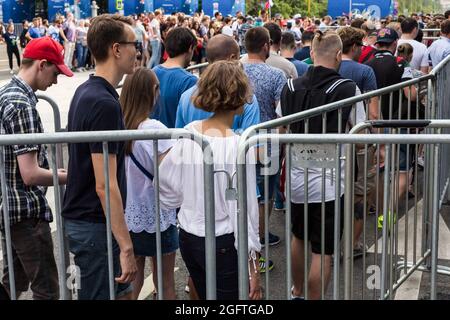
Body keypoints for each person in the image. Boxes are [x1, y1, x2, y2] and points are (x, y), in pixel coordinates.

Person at [158, 60, 261, 300]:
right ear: (238, 95)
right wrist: (253, 264)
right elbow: (244, 208)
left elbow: (165, 183)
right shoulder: (238, 145)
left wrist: (189, 201)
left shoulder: (190, 132)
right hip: (222, 242)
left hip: (189, 235)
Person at [281, 31, 365, 300]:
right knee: (324, 251)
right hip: (330, 183)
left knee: (298, 237)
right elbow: (361, 137)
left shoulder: (290, 86)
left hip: (295, 177)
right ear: (339, 55)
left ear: (313, 54)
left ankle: (297, 293)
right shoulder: (348, 88)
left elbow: (281, 128)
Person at [62, 14, 138, 300]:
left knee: (124, 293)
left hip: (94, 224)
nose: (138, 51)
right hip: (94, 226)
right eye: (134, 44)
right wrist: (126, 245)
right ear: (116, 49)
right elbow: (104, 184)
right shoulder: (103, 102)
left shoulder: (89, 91)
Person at [0, 36, 72, 300]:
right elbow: (30, 174)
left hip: (10, 208)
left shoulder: (6, 94)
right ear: (42, 64)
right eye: (55, 72)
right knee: (48, 290)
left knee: (12, 285)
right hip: (26, 211)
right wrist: (69, 178)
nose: (55, 81)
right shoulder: (23, 105)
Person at [119, 67, 178, 300]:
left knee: (132, 281)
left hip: (126, 215)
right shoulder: (155, 130)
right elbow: (170, 175)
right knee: (164, 284)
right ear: (153, 91)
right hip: (158, 214)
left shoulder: (117, 127)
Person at [241, 27, 287, 272]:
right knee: (263, 196)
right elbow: (282, 115)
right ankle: (255, 245)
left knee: (238, 192)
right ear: (266, 45)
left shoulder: (234, 69)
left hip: (237, 143)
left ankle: (245, 242)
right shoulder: (276, 75)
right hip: (267, 144)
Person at [176, 34, 260, 132]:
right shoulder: (245, 97)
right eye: (238, 58)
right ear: (232, 58)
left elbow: (180, 137)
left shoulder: (186, 97)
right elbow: (251, 142)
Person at [151, 27, 197, 128]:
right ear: (190, 48)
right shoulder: (190, 81)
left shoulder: (152, 72)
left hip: (152, 140)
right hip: (176, 140)